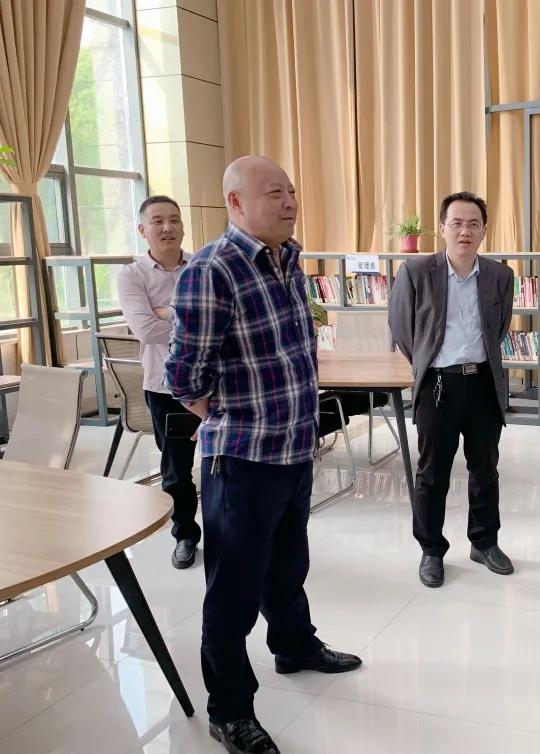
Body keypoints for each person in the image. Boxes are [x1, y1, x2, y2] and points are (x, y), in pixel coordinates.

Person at [165, 155, 361, 754]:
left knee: (287, 565)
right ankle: (229, 710)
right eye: (274, 192)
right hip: (242, 461)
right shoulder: (212, 270)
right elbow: (183, 375)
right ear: (235, 202)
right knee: (233, 592)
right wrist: (229, 420)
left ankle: (294, 645)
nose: (289, 201)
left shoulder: (288, 259)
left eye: (291, 191)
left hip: (294, 449)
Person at [388, 191, 515, 588]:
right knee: (432, 473)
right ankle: (431, 550)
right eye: (456, 223)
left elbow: (499, 329)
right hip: (438, 385)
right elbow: (402, 329)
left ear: (484, 231)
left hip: (483, 383)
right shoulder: (416, 272)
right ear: (442, 227)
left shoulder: (500, 276)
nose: (465, 231)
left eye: (473, 224)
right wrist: (430, 361)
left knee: (485, 469)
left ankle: (484, 542)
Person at [116, 195, 200, 569]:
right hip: (166, 388)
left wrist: (167, 311)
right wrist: (193, 317)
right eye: (158, 221)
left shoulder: (202, 267)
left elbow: (226, 322)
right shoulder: (132, 275)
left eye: (175, 220)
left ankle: (232, 533)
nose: (168, 228)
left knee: (229, 464)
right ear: (142, 230)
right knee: (177, 472)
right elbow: (147, 331)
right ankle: (185, 535)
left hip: (217, 383)